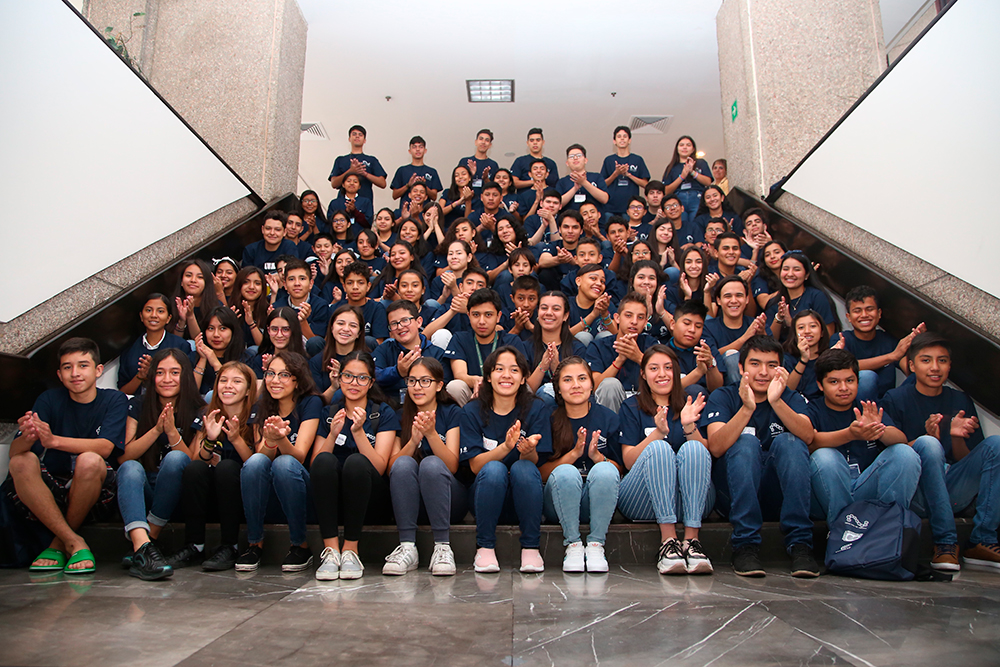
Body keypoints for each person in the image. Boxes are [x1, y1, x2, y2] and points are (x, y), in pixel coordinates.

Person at [7, 338, 127, 575]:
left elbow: (105, 448)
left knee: (90, 459)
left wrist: (53, 441)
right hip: (54, 487)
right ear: (59, 374)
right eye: (67, 367)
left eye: (83, 365)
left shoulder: (114, 399)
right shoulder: (49, 399)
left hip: (97, 492)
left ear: (98, 370)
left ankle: (58, 544)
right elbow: (14, 452)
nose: (75, 373)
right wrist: (29, 436)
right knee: (20, 460)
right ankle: (74, 541)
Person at [883, 333, 1000, 571]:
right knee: (929, 445)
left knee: (996, 445)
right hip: (916, 492)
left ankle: (982, 540)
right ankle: (945, 543)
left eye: (942, 360)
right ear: (912, 366)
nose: (935, 368)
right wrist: (927, 441)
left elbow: (967, 460)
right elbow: (891, 457)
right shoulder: (895, 398)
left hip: (952, 487)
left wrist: (956, 438)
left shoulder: (959, 399)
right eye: (926, 360)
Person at [704, 336, 819, 578]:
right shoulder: (724, 396)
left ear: (781, 370)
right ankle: (745, 545)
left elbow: (808, 436)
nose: (763, 372)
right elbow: (715, 447)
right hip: (732, 494)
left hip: (775, 493)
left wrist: (776, 401)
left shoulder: (789, 397)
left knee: (790, 442)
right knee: (746, 442)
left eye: (772, 365)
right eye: (755, 364)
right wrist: (746, 409)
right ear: (742, 368)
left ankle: (801, 545)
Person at [618, 346, 714, 575]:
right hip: (644, 501)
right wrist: (657, 434)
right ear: (643, 374)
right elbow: (629, 461)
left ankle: (692, 541)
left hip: (690, 503)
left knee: (694, 448)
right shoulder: (631, 406)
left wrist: (690, 427)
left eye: (668, 368)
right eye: (654, 368)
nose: (662, 374)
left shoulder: (690, 403)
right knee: (659, 448)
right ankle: (668, 542)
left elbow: (705, 457)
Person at [460, 347, 552, 573]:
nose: (506, 375)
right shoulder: (472, 411)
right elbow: (474, 466)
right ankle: (484, 547)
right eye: (499, 369)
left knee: (523, 467)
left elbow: (537, 465)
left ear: (523, 379)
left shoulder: (537, 407)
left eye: (514, 370)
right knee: (493, 469)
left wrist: (527, 450)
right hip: (485, 498)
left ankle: (531, 548)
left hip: (526, 498)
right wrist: (506, 447)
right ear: (488, 377)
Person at [116, 349, 205, 579]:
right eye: (160, 373)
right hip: (144, 488)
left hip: (177, 493)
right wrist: (156, 430)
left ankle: (149, 540)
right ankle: (142, 546)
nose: (167, 379)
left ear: (185, 376)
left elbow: (193, 464)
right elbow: (125, 456)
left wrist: (171, 431)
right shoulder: (139, 404)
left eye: (174, 372)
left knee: (177, 458)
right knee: (129, 468)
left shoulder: (199, 408)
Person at [807, 349, 921, 527]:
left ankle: (890, 530)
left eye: (850, 381)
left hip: (864, 487)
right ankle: (844, 534)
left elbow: (901, 440)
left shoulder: (867, 408)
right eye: (834, 382)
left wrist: (879, 429)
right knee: (825, 457)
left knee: (904, 453)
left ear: (858, 382)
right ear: (820, 385)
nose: (844, 388)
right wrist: (850, 434)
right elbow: (810, 443)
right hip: (825, 496)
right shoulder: (812, 409)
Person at [310, 352, 399, 580]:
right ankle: (331, 551)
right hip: (334, 499)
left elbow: (379, 467)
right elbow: (316, 465)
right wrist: (332, 435)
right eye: (348, 376)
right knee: (325, 460)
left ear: (370, 383)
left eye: (362, 378)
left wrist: (358, 432)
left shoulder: (382, 413)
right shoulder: (329, 413)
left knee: (357, 462)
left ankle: (351, 550)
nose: (354, 383)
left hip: (369, 499)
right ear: (339, 379)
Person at [237, 351, 323, 572]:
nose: (275, 380)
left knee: (283, 464)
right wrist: (272, 441)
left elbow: (300, 455)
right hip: (269, 492)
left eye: (284, 375)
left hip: (301, 489)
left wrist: (281, 440)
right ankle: (254, 544)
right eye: (270, 374)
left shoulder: (311, 402)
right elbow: (260, 456)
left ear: (297, 379)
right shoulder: (261, 407)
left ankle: (300, 545)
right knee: (255, 462)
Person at [539, 358, 622, 572]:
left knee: (604, 469)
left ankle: (596, 544)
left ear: (592, 384)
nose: (576, 385)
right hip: (558, 501)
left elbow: (619, 470)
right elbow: (540, 473)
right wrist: (574, 454)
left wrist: (596, 457)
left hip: (598, 502)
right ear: (557, 387)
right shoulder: (548, 419)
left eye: (582, 378)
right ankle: (573, 544)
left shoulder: (608, 418)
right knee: (566, 472)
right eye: (567, 380)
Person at [383, 358, 464, 576]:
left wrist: (431, 434)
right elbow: (392, 467)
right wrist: (413, 441)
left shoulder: (451, 412)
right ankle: (407, 547)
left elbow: (452, 465)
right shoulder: (400, 415)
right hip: (411, 503)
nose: (417, 387)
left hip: (447, 501)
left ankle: (442, 547)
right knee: (403, 463)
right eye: (412, 381)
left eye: (425, 381)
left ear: (439, 385)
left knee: (431, 464)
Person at [175, 361, 258, 572]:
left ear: (248, 390)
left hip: (241, 493)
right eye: (223, 380)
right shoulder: (209, 413)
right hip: (211, 493)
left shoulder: (256, 415)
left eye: (236, 381)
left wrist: (236, 438)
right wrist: (210, 441)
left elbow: (256, 463)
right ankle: (195, 545)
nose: (228, 386)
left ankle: (230, 546)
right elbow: (197, 460)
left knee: (228, 467)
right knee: (194, 469)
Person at [831, 285, 925, 400]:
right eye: (857, 311)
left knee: (921, 373)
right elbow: (844, 367)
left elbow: (910, 369)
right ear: (849, 317)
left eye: (870, 309)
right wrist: (891, 356)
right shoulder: (840, 339)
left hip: (886, 406)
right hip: (854, 408)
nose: (864, 315)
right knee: (867, 377)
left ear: (879, 313)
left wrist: (921, 343)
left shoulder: (888, 340)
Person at [444, 289, 528, 406]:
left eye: (488, 315)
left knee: (526, 388)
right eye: (476, 315)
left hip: (505, 394)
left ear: (498, 317)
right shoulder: (460, 339)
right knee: (455, 386)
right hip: (472, 395)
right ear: (469, 315)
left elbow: (520, 374)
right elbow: (460, 374)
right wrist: (476, 381)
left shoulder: (511, 341)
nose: (482, 321)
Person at [586, 292, 654, 412]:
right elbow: (594, 387)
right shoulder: (598, 346)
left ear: (645, 322)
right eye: (628, 315)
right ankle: (612, 430)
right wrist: (620, 360)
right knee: (610, 385)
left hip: (643, 402)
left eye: (640, 317)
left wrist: (639, 357)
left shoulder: (651, 344)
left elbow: (664, 379)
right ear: (617, 318)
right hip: (610, 402)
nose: (634, 321)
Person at [373, 300, 449, 404]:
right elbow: (372, 376)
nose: (400, 327)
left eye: (405, 320)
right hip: (393, 409)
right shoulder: (384, 350)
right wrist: (398, 372)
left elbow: (444, 383)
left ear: (419, 322)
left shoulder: (436, 353)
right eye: (394, 324)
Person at [117, 293, 192, 395]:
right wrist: (140, 376)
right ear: (141, 316)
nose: (153, 315)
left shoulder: (180, 346)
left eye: (160, 311)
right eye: (148, 310)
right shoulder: (129, 351)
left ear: (168, 318)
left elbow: (189, 385)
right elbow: (123, 393)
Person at [703, 276, 767, 385]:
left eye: (739, 295)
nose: (734, 301)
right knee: (732, 356)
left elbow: (774, 357)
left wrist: (762, 336)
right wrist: (744, 338)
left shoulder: (757, 324)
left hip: (758, 381)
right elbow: (711, 357)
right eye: (728, 296)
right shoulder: (707, 327)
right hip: (723, 385)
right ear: (718, 300)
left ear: (747, 299)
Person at [526, 292, 588, 400]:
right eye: (544, 308)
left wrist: (557, 368)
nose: (549, 313)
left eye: (556, 309)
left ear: (565, 315)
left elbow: (579, 389)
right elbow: (526, 392)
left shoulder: (577, 348)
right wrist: (543, 366)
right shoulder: (525, 346)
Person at [766, 250, 837, 340]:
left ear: (806, 275)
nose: (790, 274)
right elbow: (771, 340)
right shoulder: (776, 301)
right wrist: (779, 318)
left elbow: (829, 334)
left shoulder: (817, 297)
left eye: (796, 269)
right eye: (786, 269)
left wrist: (791, 323)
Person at [309, 304, 367, 404]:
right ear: (331, 328)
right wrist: (334, 386)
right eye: (340, 323)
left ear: (359, 332)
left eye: (353, 325)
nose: (346, 329)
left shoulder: (368, 360)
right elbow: (315, 405)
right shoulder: (316, 361)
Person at [273, 258, 331, 355]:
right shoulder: (277, 306)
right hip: (284, 352)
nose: (297, 283)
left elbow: (315, 343)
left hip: (309, 355)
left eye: (302, 279)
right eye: (291, 279)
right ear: (285, 285)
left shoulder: (320, 305)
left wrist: (303, 322)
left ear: (311, 284)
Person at [192, 306, 248, 395]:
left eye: (222, 328)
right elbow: (190, 394)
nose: (216, 334)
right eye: (211, 328)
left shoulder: (245, 359)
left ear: (233, 331)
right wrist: (202, 359)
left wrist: (215, 362)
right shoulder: (193, 357)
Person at [335, 262, 389, 348]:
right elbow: (328, 339)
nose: (355, 287)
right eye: (350, 283)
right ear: (344, 287)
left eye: (360, 283)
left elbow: (378, 342)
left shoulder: (377, 309)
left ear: (368, 286)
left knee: (369, 340)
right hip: (340, 350)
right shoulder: (336, 308)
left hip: (366, 355)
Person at [328, 124, 387, 203]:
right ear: (349, 138)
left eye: (360, 135)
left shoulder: (372, 160)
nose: (357, 137)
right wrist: (351, 171)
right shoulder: (340, 160)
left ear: (364, 140)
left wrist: (364, 174)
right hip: (343, 203)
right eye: (354, 134)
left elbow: (382, 183)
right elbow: (334, 183)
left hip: (365, 203)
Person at [662, 136, 712, 226]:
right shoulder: (672, 167)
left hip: (697, 197)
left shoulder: (700, 163)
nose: (685, 147)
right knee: (681, 225)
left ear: (693, 149)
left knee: (697, 224)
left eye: (688, 145)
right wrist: (682, 176)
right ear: (677, 149)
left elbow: (708, 182)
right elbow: (666, 190)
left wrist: (692, 172)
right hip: (678, 198)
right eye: (681, 145)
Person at [601, 126, 651, 216]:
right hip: (610, 207)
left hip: (631, 208)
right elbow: (602, 185)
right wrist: (616, 174)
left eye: (625, 136)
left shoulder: (637, 159)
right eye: (619, 136)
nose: (622, 138)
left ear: (629, 140)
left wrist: (628, 175)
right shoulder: (609, 160)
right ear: (614, 141)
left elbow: (646, 184)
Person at [783, 309, 830, 402]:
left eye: (813, 326)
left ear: (822, 332)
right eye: (801, 327)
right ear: (795, 334)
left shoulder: (829, 357)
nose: (807, 331)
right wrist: (803, 360)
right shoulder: (787, 358)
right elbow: (788, 390)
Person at [171, 259, 222, 341]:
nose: (193, 280)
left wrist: (190, 315)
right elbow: (174, 343)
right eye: (188, 275)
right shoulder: (172, 304)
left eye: (200, 277)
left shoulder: (216, 307)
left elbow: (200, 342)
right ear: (181, 281)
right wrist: (182, 321)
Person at [567, 263, 617, 346]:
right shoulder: (567, 304)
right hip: (576, 355)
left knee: (605, 336)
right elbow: (564, 336)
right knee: (583, 337)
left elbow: (615, 336)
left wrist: (605, 314)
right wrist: (593, 315)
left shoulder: (607, 305)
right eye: (593, 278)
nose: (599, 284)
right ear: (578, 281)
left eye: (602, 281)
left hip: (601, 356)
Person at [390, 136, 443, 211]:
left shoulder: (432, 171)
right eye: (414, 147)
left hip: (425, 213)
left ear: (425, 150)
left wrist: (424, 186)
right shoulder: (402, 170)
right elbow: (394, 195)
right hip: (406, 213)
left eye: (420, 147)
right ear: (409, 151)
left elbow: (434, 197)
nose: (417, 149)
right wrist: (408, 185)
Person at [242, 210, 300, 275]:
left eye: (277, 229)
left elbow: (292, 273)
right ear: (262, 229)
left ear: (284, 232)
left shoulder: (290, 246)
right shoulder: (251, 250)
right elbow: (247, 277)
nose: (272, 233)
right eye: (268, 228)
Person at [556, 144, 609, 213]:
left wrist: (584, 182)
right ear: (567, 163)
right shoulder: (562, 182)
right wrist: (575, 189)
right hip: (571, 221)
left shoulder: (597, 177)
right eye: (571, 156)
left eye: (578, 155)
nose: (575, 158)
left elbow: (604, 199)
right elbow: (557, 204)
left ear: (585, 160)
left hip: (595, 221)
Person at [457, 129, 500, 201]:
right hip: (465, 200)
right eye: (481, 139)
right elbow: (457, 184)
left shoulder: (493, 164)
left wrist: (486, 179)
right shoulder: (465, 161)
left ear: (490, 145)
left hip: (485, 202)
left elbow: (495, 189)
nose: (483, 142)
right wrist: (471, 174)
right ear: (475, 142)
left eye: (487, 140)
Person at [231, 266, 268, 348]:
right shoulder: (232, 310)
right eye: (246, 282)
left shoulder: (267, 310)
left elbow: (264, 346)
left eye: (257, 283)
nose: (251, 287)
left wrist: (251, 324)